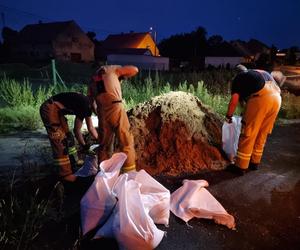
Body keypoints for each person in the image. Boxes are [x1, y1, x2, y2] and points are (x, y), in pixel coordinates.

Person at [225, 65, 285, 175]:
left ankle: (240, 166)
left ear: (236, 74)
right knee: (262, 133)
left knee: (248, 132)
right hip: (277, 99)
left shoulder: (239, 78)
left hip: (262, 99)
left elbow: (234, 100)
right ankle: (254, 163)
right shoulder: (258, 73)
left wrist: (229, 116)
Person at [88, 65, 138, 173]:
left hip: (101, 111)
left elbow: (91, 103)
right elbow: (135, 70)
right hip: (115, 106)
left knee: (104, 146)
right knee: (126, 142)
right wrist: (121, 74)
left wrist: (100, 113)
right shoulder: (113, 69)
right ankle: (130, 174)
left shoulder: (93, 79)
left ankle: (103, 174)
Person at [40, 92, 98, 182]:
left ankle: (73, 162)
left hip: (59, 112)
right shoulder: (86, 103)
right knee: (60, 141)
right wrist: (89, 145)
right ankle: (65, 175)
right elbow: (83, 129)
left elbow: (85, 129)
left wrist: (92, 144)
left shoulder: (87, 106)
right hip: (50, 108)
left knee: (69, 137)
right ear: (95, 101)